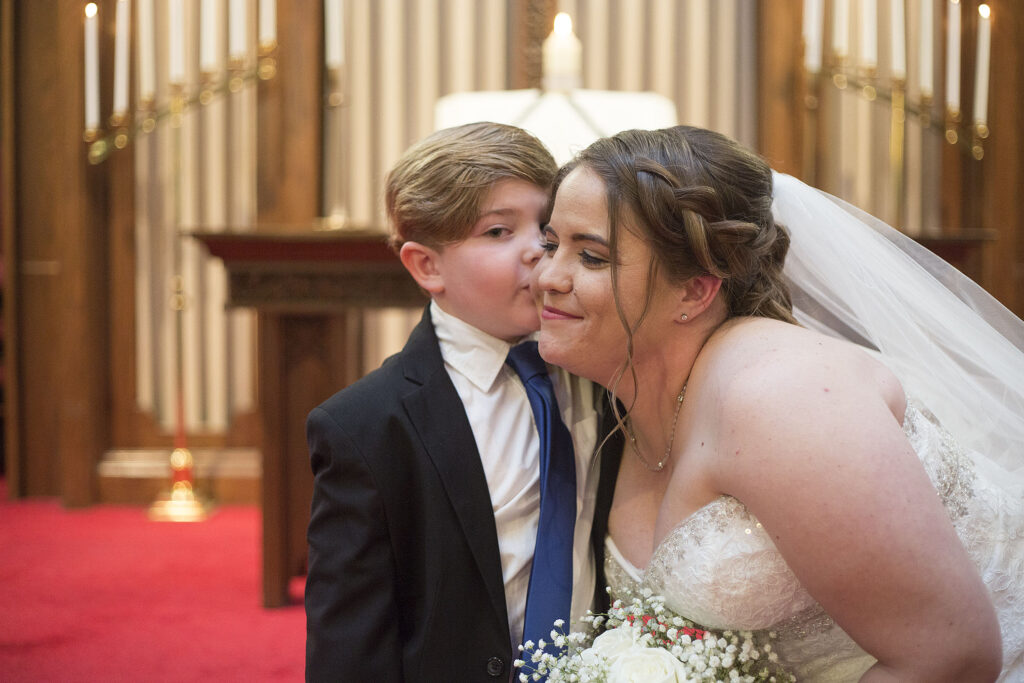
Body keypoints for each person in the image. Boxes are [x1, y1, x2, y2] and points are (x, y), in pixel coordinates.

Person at [533, 125, 1024, 681]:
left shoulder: (781, 395)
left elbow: (952, 656)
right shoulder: (614, 406)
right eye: (550, 244)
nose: (547, 277)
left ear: (695, 290)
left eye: (592, 257)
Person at [304, 122, 623, 682]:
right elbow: (350, 642)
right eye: (499, 231)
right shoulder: (367, 427)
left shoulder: (609, 372)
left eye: (546, 227)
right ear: (427, 266)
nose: (537, 252)